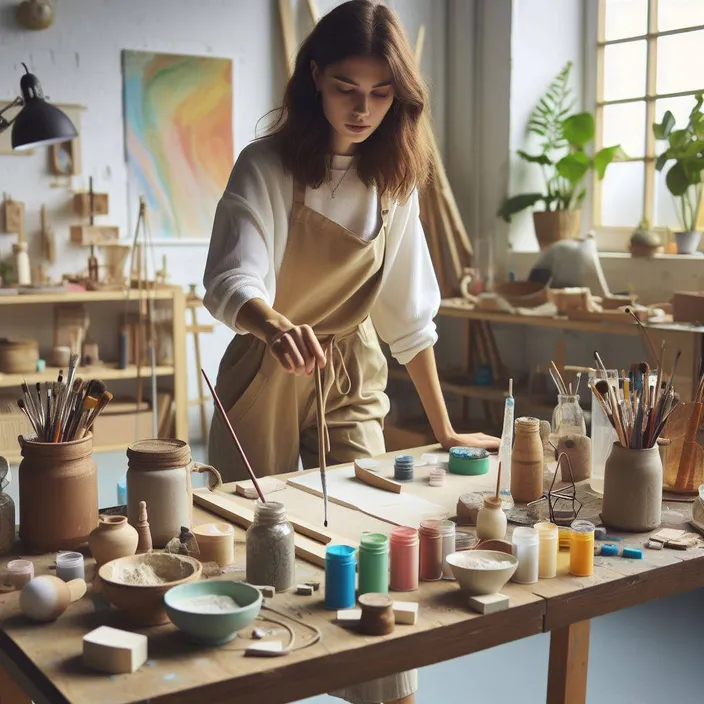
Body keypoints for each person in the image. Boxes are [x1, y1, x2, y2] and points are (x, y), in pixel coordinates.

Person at [204, 2, 499, 702]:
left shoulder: (394, 177)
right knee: (260, 541)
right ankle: (252, 681)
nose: (362, 109)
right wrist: (274, 325)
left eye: (380, 93)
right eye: (346, 88)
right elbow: (230, 276)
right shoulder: (268, 165)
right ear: (314, 78)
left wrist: (443, 426)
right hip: (267, 363)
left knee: (369, 535)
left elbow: (409, 317)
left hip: (353, 367)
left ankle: (385, 689)